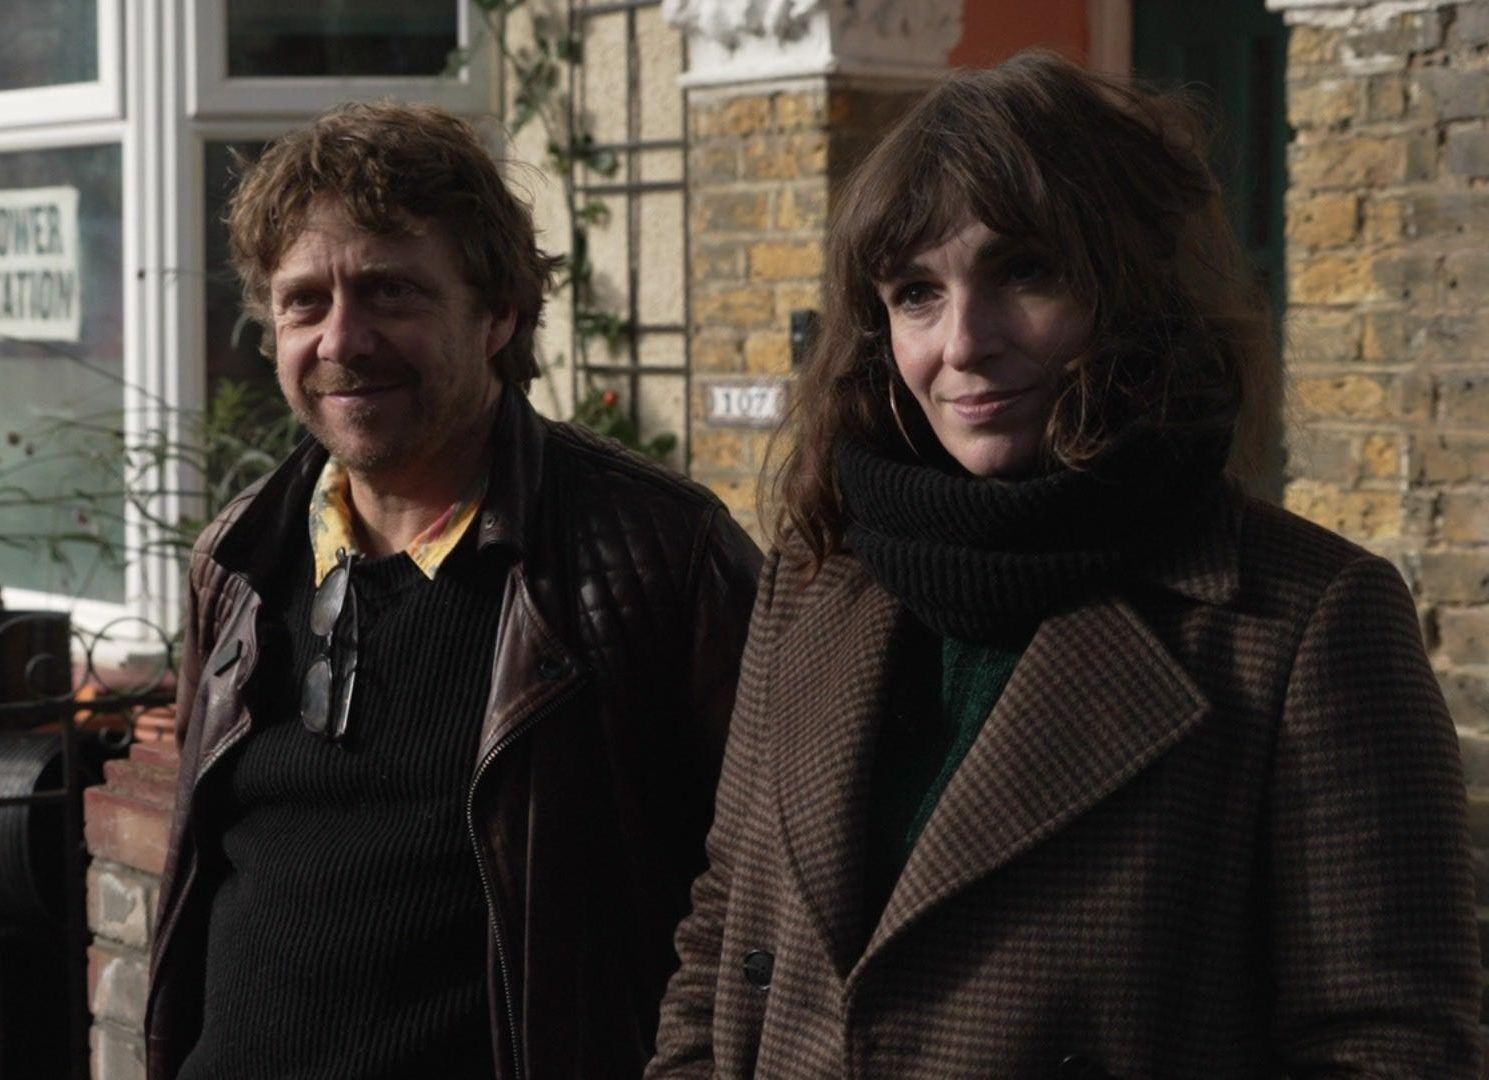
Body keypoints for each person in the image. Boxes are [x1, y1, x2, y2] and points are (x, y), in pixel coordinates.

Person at [648, 52, 1481, 1077]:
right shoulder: (820, 575)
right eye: (916, 292)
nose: (963, 343)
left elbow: (1386, 1042)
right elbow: (726, 926)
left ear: (1136, 289)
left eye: (1025, 273)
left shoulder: (1304, 619)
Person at [144, 102, 763, 1080]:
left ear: (499, 314)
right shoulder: (240, 560)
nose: (342, 340)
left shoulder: (654, 558)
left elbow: (761, 901)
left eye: (390, 292)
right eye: (304, 302)